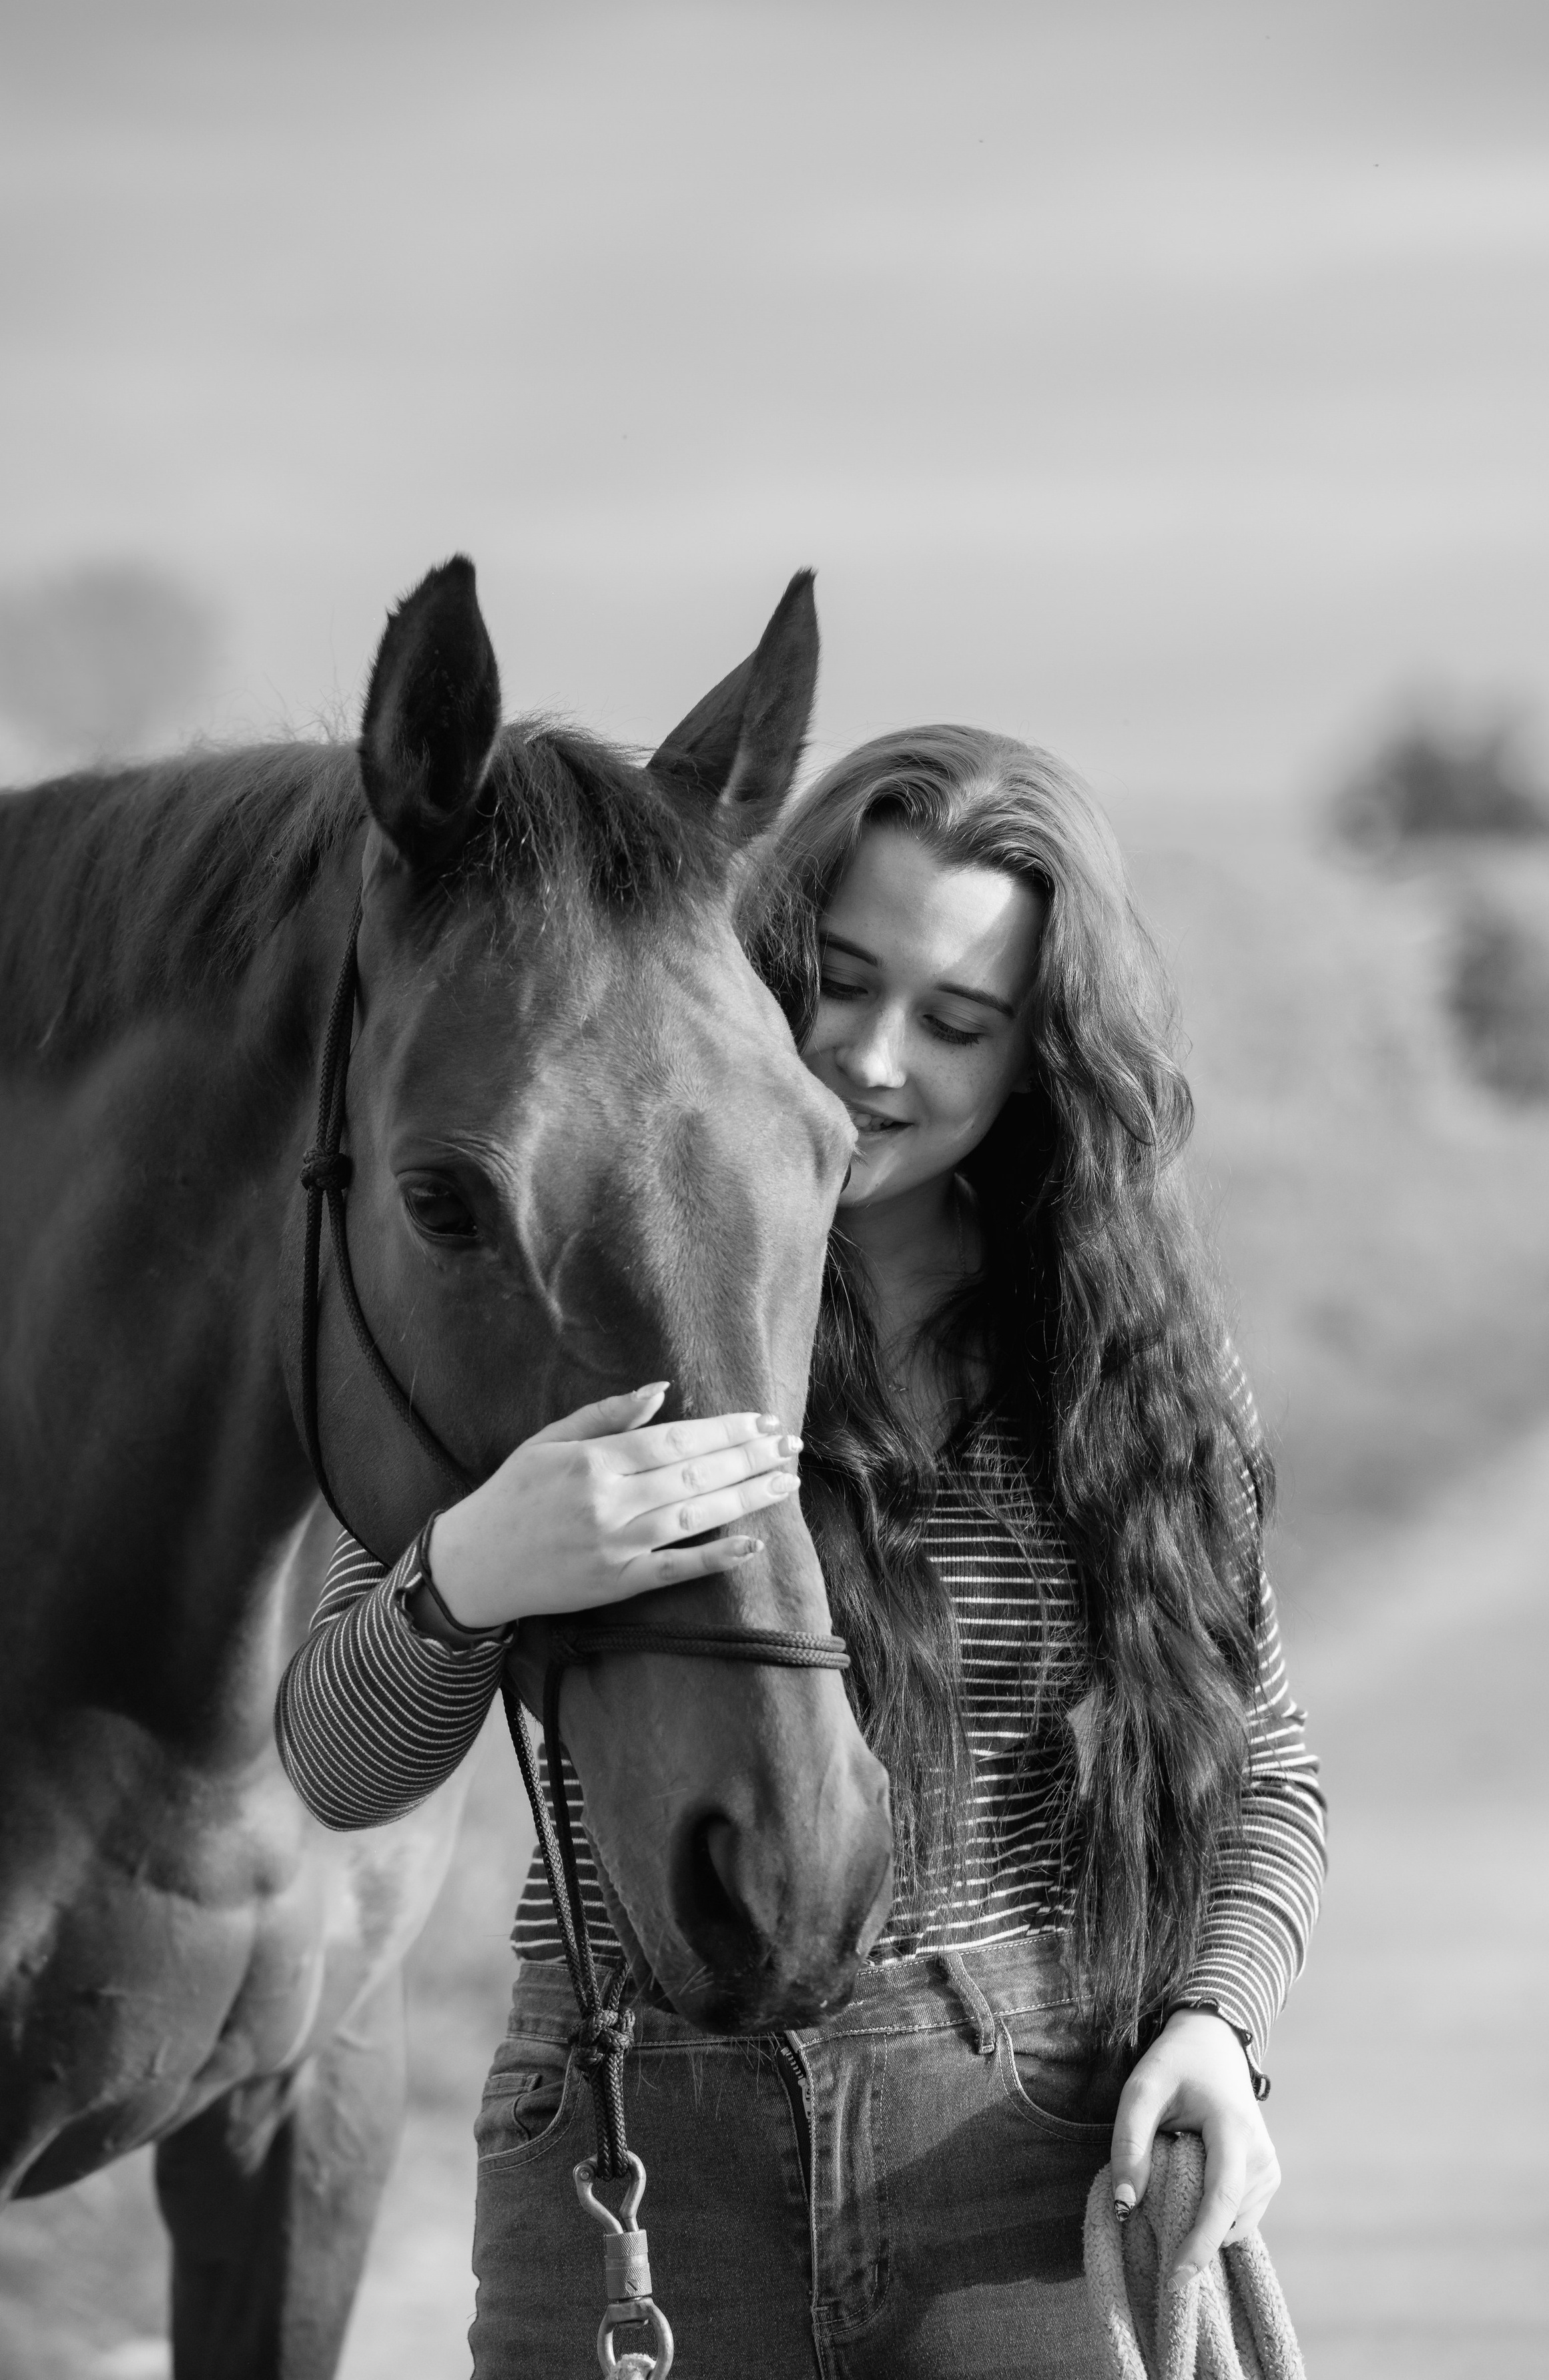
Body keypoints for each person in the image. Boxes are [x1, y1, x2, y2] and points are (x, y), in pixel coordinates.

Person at [276, 725, 1327, 2379]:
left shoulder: (1124, 1358)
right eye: (837, 981)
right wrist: (470, 1571)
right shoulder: (582, 1292)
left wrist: (1215, 2027)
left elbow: (1260, 1768)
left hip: (1020, 2153)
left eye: (955, 1023)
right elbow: (340, 1767)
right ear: (759, 958)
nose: (871, 1057)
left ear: (1035, 1056)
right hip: (623, 2150)